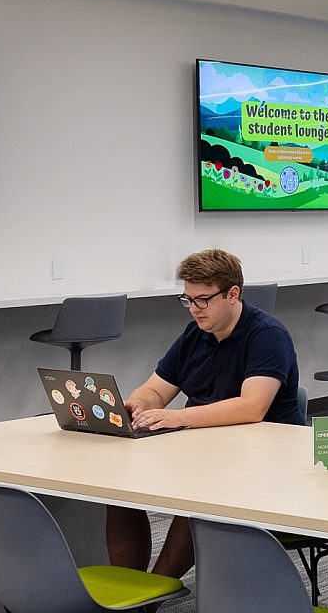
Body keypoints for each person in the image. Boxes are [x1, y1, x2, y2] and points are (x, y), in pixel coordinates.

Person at [107, 248, 301, 595]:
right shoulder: (195, 333)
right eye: (188, 300)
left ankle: (148, 597)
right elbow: (156, 389)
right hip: (204, 449)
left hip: (267, 459)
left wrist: (177, 417)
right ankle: (126, 590)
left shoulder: (267, 335)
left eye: (203, 300)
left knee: (197, 496)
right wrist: (136, 404)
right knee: (120, 488)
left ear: (233, 294)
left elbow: (251, 407)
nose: (195, 309)